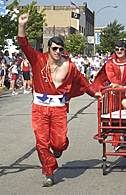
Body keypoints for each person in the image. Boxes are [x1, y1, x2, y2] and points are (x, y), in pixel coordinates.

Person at [18, 11, 100, 187]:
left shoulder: (69, 66)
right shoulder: (38, 60)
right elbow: (23, 44)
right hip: (39, 108)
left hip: (59, 109)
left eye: (60, 49)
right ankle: (48, 172)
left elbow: (83, 82)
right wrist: (21, 25)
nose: (57, 51)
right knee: (41, 142)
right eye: (54, 48)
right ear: (49, 49)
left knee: (59, 142)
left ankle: (58, 149)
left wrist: (96, 93)